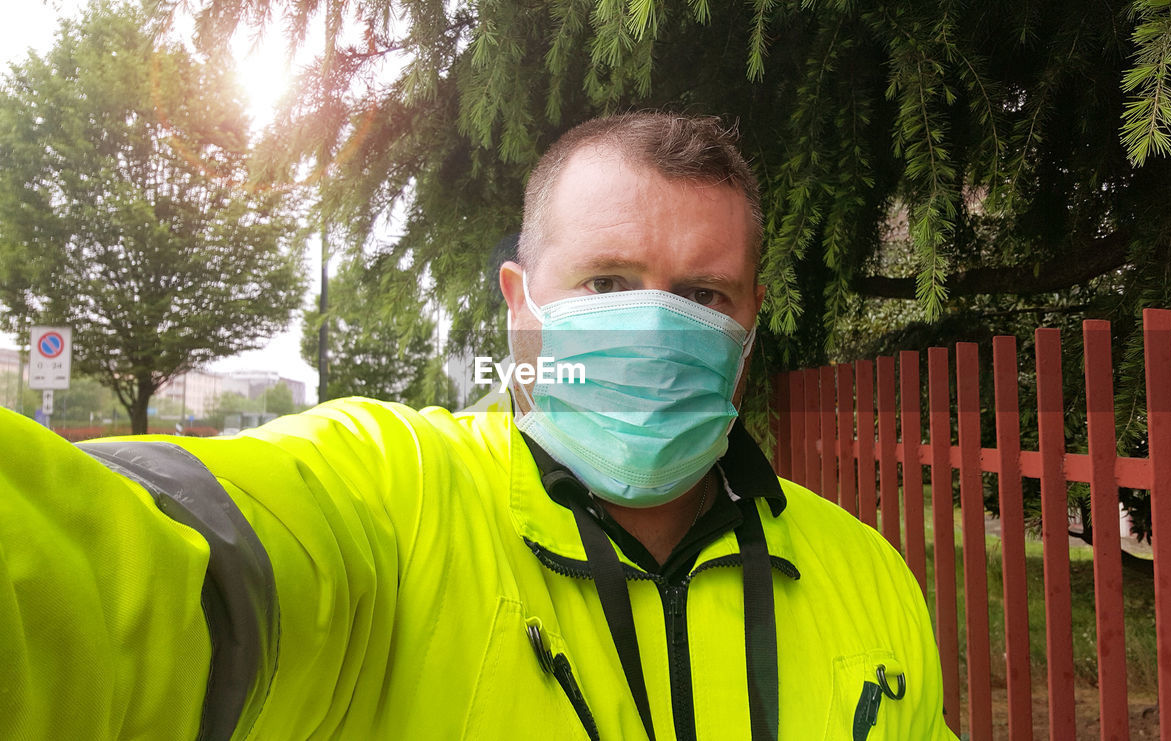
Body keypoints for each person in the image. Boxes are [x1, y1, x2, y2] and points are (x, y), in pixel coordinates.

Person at [0, 112, 955, 740]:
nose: (654, 328)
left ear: (747, 323)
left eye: (702, 294)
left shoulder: (868, 577)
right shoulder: (395, 497)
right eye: (608, 283)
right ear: (520, 304)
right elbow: (146, 561)